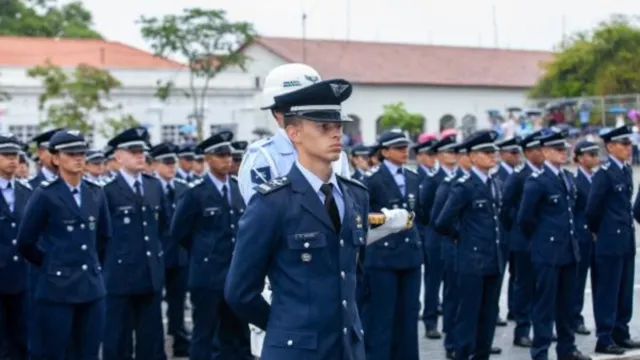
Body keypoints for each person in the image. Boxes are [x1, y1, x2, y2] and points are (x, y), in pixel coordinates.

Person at [225, 76, 373, 360]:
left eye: (338, 126)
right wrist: (284, 327)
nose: (335, 134)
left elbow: (353, 273)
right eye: (323, 127)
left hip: (347, 349)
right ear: (294, 133)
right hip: (295, 350)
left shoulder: (355, 196)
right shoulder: (273, 203)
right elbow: (239, 291)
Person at [17, 129, 110, 359]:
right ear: (55, 158)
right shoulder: (45, 194)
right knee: (54, 352)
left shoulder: (95, 192)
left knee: (88, 352)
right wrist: (51, 262)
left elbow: (104, 237)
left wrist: (91, 265)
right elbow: (26, 241)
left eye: (81, 152)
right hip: (57, 288)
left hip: (91, 286)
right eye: (70, 153)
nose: (79, 158)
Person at [171, 131, 252, 360]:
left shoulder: (239, 189)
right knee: (204, 334)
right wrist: (203, 251)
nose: (227, 159)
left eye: (229, 155)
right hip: (207, 276)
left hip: (236, 274)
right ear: (207, 158)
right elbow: (179, 232)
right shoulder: (195, 193)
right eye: (220, 154)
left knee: (237, 334)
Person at [517, 129, 591, 360]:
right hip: (547, 252)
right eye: (559, 150)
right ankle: (540, 351)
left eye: (565, 149)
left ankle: (567, 349)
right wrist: (541, 239)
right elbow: (525, 218)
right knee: (544, 306)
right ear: (545, 152)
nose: (564, 153)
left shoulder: (567, 178)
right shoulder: (537, 181)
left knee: (567, 305)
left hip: (569, 250)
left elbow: (576, 210)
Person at [237, 63, 351, 204]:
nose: (314, 111)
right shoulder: (264, 158)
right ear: (277, 112)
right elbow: (263, 217)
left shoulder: (336, 154)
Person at [435, 130, 504, 360]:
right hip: (472, 261)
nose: (492, 156)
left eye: (493, 151)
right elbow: (442, 221)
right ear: (472, 157)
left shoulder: (495, 182)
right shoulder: (464, 186)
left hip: (493, 260)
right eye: (486, 152)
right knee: (468, 317)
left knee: (488, 317)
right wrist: (461, 236)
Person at [101, 127, 169, 360]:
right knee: (117, 339)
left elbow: (163, 228)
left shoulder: (153, 186)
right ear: (118, 157)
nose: (140, 155)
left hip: (150, 275)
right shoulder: (107, 191)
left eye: (142, 151)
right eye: (133, 151)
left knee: (150, 339)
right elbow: (101, 236)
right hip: (119, 277)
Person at [364, 130, 422, 360]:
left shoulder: (413, 177)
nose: (403, 151)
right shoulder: (372, 179)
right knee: (382, 319)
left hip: (410, 254)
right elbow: (364, 215)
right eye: (398, 148)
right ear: (385, 152)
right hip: (383, 256)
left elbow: (421, 213)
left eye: (405, 147)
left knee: (408, 317)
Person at [588, 125, 640, 355]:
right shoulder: (604, 173)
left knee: (624, 289)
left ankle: (621, 331)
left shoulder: (625, 170)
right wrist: (601, 231)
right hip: (609, 239)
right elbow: (592, 210)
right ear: (610, 147)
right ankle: (605, 336)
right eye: (624, 144)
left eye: (630, 144)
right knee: (607, 290)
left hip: (626, 239)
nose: (629, 148)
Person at [500, 129, 547, 348]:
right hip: (523, 241)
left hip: (544, 240)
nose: (543, 153)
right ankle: (522, 330)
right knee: (524, 286)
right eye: (538, 149)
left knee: (543, 286)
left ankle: (542, 328)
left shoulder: (546, 174)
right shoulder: (518, 177)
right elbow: (506, 207)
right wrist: (520, 229)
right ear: (528, 152)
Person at [150, 142, 191, 358]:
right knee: (154, 305)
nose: (171, 167)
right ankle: (158, 345)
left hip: (180, 255)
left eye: (172, 162)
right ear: (155, 164)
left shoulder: (183, 188)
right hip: (157, 255)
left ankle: (180, 341)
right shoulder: (150, 188)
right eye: (166, 163)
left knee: (178, 302)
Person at [430, 141, 470, 359]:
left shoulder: (476, 182)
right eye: (458, 154)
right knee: (454, 296)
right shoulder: (450, 183)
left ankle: (468, 339)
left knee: (470, 297)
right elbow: (438, 218)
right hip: (453, 246)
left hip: (472, 250)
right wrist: (458, 235)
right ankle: (452, 341)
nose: (457, 156)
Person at [418, 134, 457, 340]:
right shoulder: (433, 179)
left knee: (452, 283)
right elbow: (423, 209)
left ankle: (451, 327)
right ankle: (430, 321)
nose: (454, 155)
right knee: (433, 281)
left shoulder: (459, 177)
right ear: (440, 155)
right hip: (435, 237)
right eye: (450, 152)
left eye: (455, 152)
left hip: (453, 238)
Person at [0, 133, 32, 360]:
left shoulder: (27, 192)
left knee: (24, 337)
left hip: (23, 277)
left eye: (16, 155)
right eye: (6, 155)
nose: (13, 160)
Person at [572, 141, 600, 336]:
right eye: (590, 154)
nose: (595, 157)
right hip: (581, 236)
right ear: (580, 158)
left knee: (600, 281)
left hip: (598, 237)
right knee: (577, 281)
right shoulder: (575, 181)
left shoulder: (598, 178)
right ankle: (574, 317)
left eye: (595, 153)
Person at [493, 136, 522, 326]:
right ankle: (493, 311)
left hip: (519, 232)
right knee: (498, 274)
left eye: (518, 152)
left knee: (518, 274)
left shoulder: (519, 174)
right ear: (502, 154)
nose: (517, 156)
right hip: (504, 231)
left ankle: (515, 309)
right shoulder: (498, 176)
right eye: (513, 152)